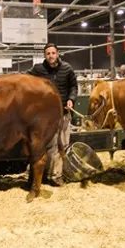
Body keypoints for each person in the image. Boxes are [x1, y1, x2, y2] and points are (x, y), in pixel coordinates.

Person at [27, 43, 78, 186]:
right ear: (45, 55)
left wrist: (71, 99)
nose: (51, 56)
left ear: (58, 53)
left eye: (53, 53)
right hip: (44, 116)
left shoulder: (67, 69)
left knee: (63, 144)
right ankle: (42, 175)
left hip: (64, 112)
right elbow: (24, 79)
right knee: (47, 145)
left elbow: (74, 86)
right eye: (48, 53)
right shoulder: (37, 69)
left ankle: (56, 176)